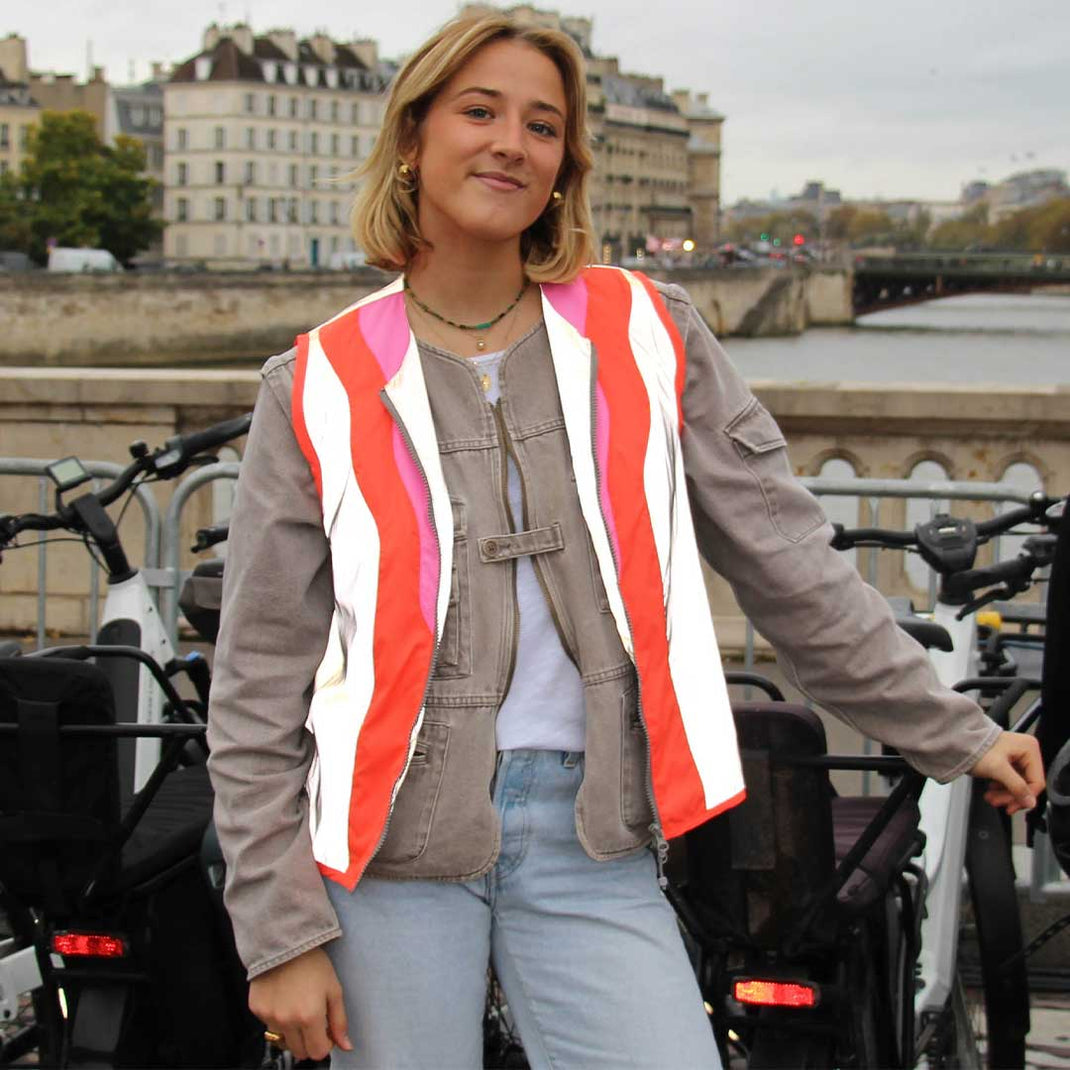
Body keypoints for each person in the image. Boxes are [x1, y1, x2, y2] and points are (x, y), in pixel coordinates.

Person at [206, 12, 1044, 1069]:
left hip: (589, 837)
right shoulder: (318, 381)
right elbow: (257, 680)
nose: (511, 143)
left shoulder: (647, 332)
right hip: (387, 856)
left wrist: (949, 729)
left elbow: (789, 563)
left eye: (542, 125)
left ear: (564, 166)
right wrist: (280, 930)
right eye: (479, 111)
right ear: (413, 136)